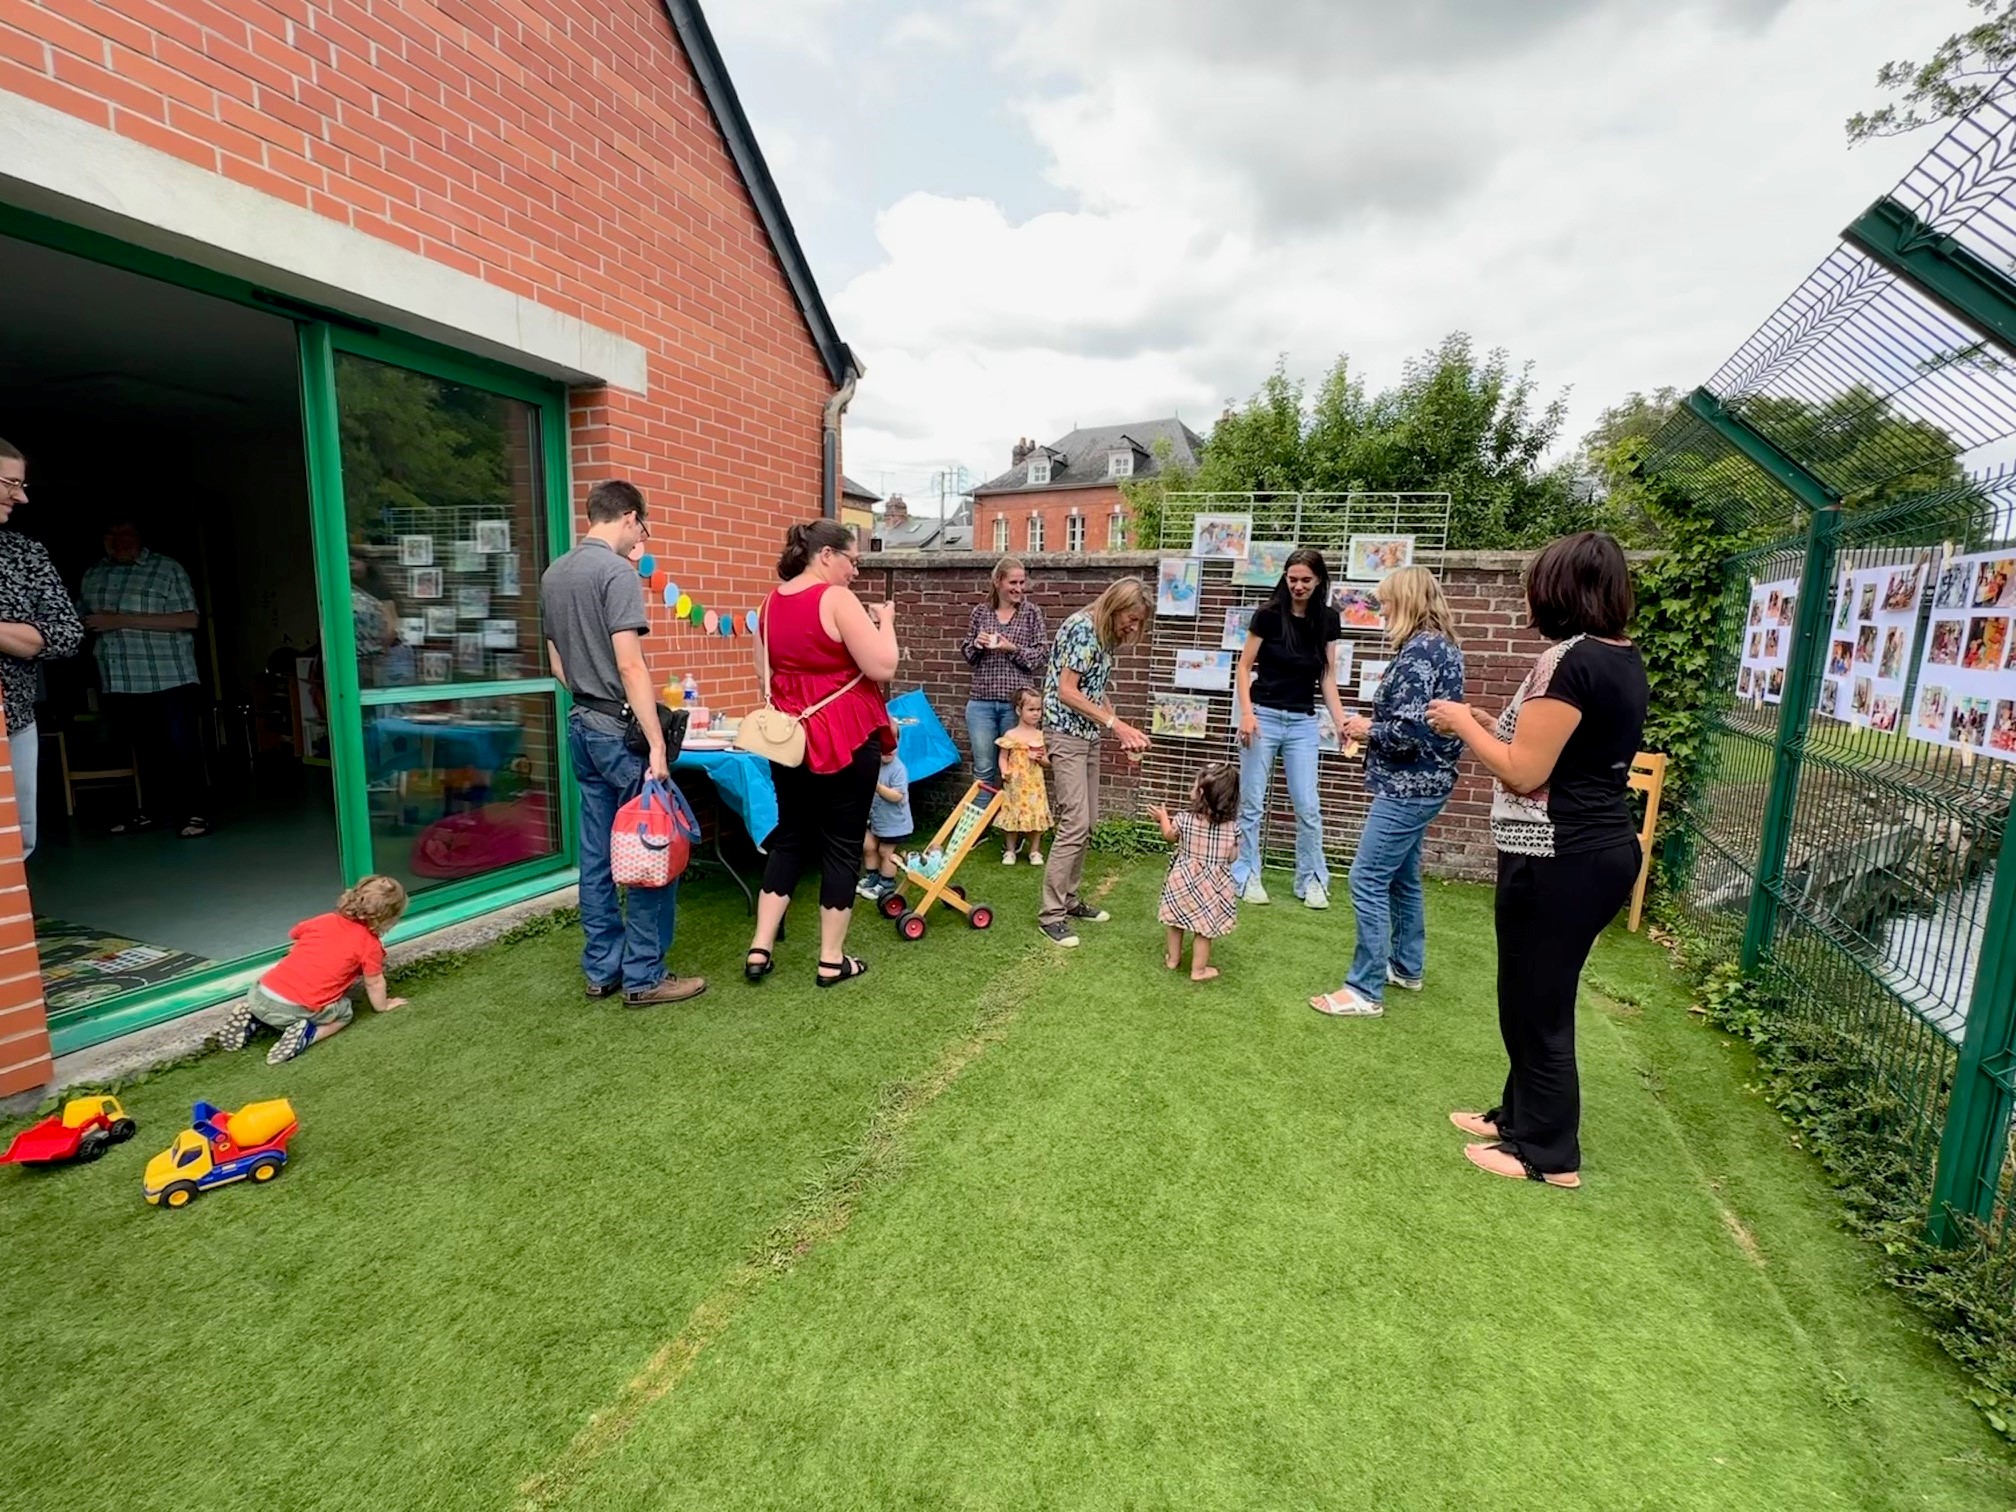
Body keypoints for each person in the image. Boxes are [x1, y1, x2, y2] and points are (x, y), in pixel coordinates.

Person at [1426, 532, 1649, 1191]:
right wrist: (1491, 725)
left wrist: (1465, 723)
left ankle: (1550, 1154)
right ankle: (1519, 1117)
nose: (1528, 594)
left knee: (1538, 1004)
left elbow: (1525, 773)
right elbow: (1554, 754)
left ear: (1560, 589)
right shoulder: (1620, 658)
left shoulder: (1567, 661)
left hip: (1559, 854)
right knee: (1529, 995)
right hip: (1591, 849)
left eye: (1536, 581)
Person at [540, 479, 704, 1008]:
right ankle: (644, 977)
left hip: (581, 724)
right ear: (630, 517)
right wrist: (656, 745)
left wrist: (589, 696)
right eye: (644, 526)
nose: (643, 535)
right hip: (619, 731)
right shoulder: (616, 572)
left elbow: (557, 664)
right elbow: (631, 664)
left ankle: (602, 971)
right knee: (651, 845)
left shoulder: (554, 573)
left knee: (596, 855)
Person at [742, 520, 899, 988]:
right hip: (845, 735)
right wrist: (885, 623)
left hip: (789, 740)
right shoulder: (835, 599)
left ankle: (760, 947)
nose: (855, 571)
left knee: (789, 835)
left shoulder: (769, 604)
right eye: (853, 560)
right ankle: (831, 959)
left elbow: (761, 674)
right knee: (841, 845)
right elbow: (883, 665)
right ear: (827, 555)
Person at [1311, 567, 1467, 1018]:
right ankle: (1406, 966)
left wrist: (1364, 727)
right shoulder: (1445, 648)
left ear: (1406, 601)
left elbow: (1408, 732)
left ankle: (1364, 989)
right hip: (1429, 781)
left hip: (1408, 785)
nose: (1382, 611)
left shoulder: (1420, 651)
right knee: (1401, 876)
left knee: (1367, 877)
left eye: (1387, 602)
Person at [1232, 548, 1350, 909]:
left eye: (1306, 580)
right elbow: (1243, 667)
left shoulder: (1328, 620)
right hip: (1263, 716)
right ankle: (1246, 873)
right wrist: (1247, 714)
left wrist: (1341, 722)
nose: (1298, 586)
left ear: (1318, 581)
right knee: (1251, 802)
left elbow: (1327, 675)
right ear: (1284, 578)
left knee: (1308, 805)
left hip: (1303, 722)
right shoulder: (1267, 615)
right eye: (1292, 579)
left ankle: (1312, 880)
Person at [1038, 577, 1152, 947]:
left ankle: (1069, 901)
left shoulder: (1105, 635)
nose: (1132, 628)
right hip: (1065, 734)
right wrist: (1115, 725)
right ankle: (1050, 915)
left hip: (1088, 735)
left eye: (1138, 622)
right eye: (1131, 619)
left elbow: (1094, 690)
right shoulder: (1082, 628)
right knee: (1075, 822)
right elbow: (1066, 691)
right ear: (1115, 605)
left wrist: (1122, 731)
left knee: (1087, 823)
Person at [79, 516, 210, 838]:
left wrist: (119, 619)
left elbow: (189, 619)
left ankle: (198, 813)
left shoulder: (167, 569)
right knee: (145, 750)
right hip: (119, 677)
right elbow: (83, 617)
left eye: (127, 532)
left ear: (139, 536)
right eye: (112, 532)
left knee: (182, 746)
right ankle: (154, 812)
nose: (120, 539)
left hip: (169, 675)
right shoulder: (94, 574)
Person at [217, 875, 411, 1065]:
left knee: (276, 987)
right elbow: (374, 981)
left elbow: (295, 934)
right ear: (388, 919)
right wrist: (383, 1005)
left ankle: (253, 1016)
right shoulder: (370, 946)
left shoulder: (324, 920)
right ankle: (308, 1035)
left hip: (259, 994)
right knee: (345, 1013)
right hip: (296, 1010)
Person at [0, 437, 82, 860]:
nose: (22, 496)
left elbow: (66, 634)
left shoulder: (24, 553)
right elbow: (36, 636)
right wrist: (21, 636)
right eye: (10, 483)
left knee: (16, 845)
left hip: (15, 721)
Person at [1151, 762, 1241, 982]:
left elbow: (1170, 836)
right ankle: (1199, 970)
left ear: (1201, 793)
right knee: (1204, 930)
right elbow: (1232, 857)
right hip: (1213, 886)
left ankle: (1173, 960)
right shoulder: (1232, 828)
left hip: (1182, 880)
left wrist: (1163, 818)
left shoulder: (1183, 819)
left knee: (1176, 923)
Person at [961, 557, 1047, 785]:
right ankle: (981, 820)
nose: (1019, 588)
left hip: (1016, 706)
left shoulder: (1031, 613)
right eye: (1013, 583)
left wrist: (1012, 649)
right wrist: (976, 645)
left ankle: (1012, 819)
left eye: (1022, 582)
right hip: (981, 702)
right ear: (998, 581)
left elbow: (1040, 656)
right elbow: (968, 656)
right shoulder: (981, 613)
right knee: (984, 769)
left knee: (1017, 767)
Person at [993, 685, 1051, 864]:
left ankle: (1035, 850)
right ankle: (1010, 850)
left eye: (1039, 710)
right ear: (1019, 710)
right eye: (1031, 709)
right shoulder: (1011, 735)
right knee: (1012, 814)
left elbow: (1048, 763)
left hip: (1034, 784)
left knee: (1036, 814)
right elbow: (1003, 757)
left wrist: (1038, 758)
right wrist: (1004, 771)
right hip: (1015, 783)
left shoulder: (1042, 736)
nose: (1036, 714)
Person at [859, 737, 912, 901]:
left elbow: (897, 796)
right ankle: (872, 876)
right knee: (868, 846)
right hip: (876, 819)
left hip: (894, 823)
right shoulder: (872, 764)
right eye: (883, 746)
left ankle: (886, 884)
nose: (888, 750)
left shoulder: (898, 769)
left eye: (892, 745)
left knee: (885, 852)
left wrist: (877, 787)